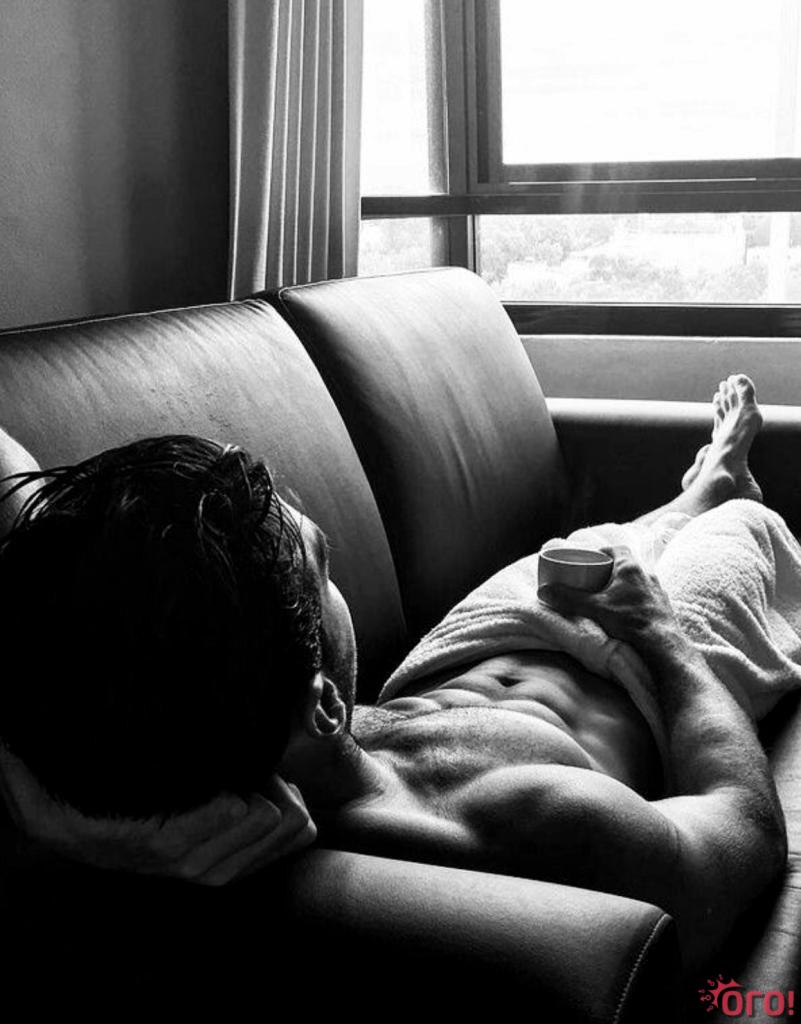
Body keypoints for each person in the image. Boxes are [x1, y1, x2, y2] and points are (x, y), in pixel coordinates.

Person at [0, 375, 792, 973]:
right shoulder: (524, 822)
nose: (334, 576)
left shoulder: (132, 712)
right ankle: (723, 495)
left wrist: (47, 815)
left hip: (466, 653)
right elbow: (741, 835)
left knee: (604, 544)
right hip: (646, 680)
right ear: (322, 705)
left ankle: (698, 488)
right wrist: (658, 634)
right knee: (740, 529)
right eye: (325, 568)